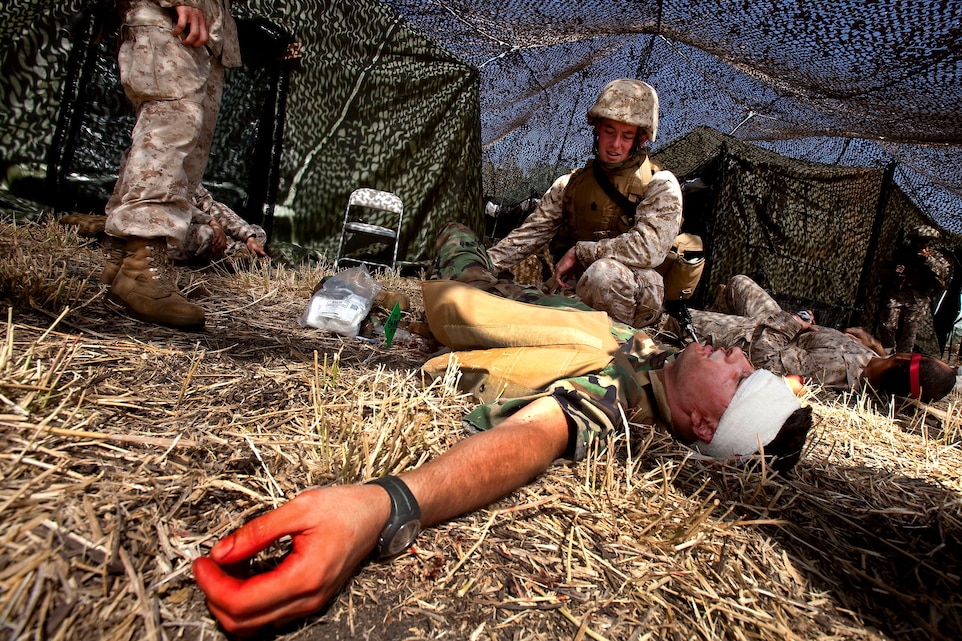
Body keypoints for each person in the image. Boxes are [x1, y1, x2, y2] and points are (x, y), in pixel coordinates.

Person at [192, 222, 813, 636]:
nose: (735, 356)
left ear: (703, 427)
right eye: (743, 360)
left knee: (456, 235)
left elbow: (533, 436)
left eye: (739, 380)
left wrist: (388, 504)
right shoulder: (657, 360)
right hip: (519, 298)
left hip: (479, 297)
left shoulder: (620, 400)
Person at [486, 78, 683, 328]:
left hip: (636, 295)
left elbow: (649, 249)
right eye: (609, 131)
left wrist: (581, 251)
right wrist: (481, 264)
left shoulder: (660, 184)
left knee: (604, 274)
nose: (615, 144)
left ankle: (618, 345)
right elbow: (529, 235)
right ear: (597, 129)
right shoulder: (570, 184)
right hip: (579, 289)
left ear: (640, 140)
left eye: (626, 136)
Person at [101, 0, 241, 329]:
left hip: (207, 31)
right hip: (171, 17)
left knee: (181, 149)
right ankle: (141, 267)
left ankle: (122, 259)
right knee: (170, 130)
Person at [690, 274, 958, 403]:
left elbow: (766, 364)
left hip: (756, 338)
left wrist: (792, 323)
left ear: (902, 358)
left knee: (679, 317)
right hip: (785, 327)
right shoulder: (874, 362)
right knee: (739, 284)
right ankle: (708, 332)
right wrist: (873, 344)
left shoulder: (835, 371)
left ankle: (703, 339)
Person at [60, 184, 268, 269]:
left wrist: (249, 237)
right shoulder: (158, 168)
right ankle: (105, 231)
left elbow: (213, 207)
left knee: (259, 233)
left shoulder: (191, 177)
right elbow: (174, 205)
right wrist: (212, 224)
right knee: (204, 235)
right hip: (164, 228)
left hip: (196, 231)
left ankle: (238, 254)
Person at [877, 225, 952, 354]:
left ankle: (902, 357)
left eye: (926, 241)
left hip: (919, 296)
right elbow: (880, 271)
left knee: (910, 329)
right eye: (920, 241)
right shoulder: (900, 253)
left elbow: (943, 272)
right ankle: (888, 352)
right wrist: (893, 272)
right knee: (887, 324)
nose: (923, 244)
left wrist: (928, 260)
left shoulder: (935, 256)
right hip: (898, 292)